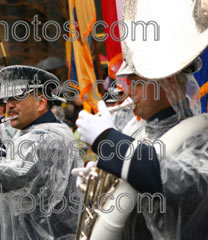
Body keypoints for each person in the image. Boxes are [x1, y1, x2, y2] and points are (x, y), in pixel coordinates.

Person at [74, 0, 208, 238]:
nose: (129, 90)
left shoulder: (200, 135)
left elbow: (179, 181)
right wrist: (103, 179)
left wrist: (108, 141)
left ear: (166, 83)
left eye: (137, 81)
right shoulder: (136, 129)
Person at [0, 65, 82, 239]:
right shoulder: (31, 132)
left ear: (41, 103)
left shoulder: (46, 136)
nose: (9, 105)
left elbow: (0, 177)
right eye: (7, 99)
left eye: (17, 98)